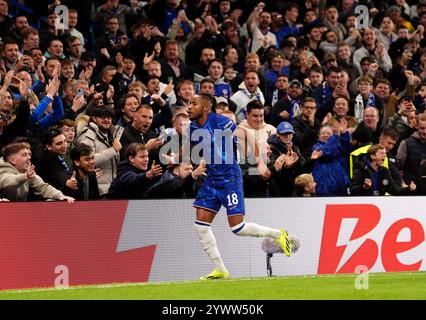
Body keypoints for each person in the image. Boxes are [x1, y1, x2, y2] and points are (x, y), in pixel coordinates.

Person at [185, 93, 296, 280]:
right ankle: (220, 269)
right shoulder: (193, 126)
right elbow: (188, 147)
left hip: (230, 179)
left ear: (205, 107)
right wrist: (175, 157)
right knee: (201, 225)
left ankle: (278, 234)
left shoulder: (220, 121)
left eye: (193, 103)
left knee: (238, 228)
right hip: (212, 179)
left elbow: (247, 136)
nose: (188, 106)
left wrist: (260, 163)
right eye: (188, 103)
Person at [0, 141, 74, 202]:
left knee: (51, 200)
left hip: (16, 210)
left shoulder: (27, 171)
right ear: (12, 160)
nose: (29, 157)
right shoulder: (3, 169)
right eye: (24, 155)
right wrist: (25, 177)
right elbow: (6, 181)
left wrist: (60, 196)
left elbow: (43, 187)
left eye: (29, 154)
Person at [350, 144, 416, 196]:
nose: (385, 156)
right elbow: (352, 190)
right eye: (382, 153)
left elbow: (395, 191)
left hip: (380, 205)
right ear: (373, 156)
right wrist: (364, 187)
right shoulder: (360, 170)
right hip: (365, 205)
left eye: (385, 153)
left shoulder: (384, 171)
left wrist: (408, 188)